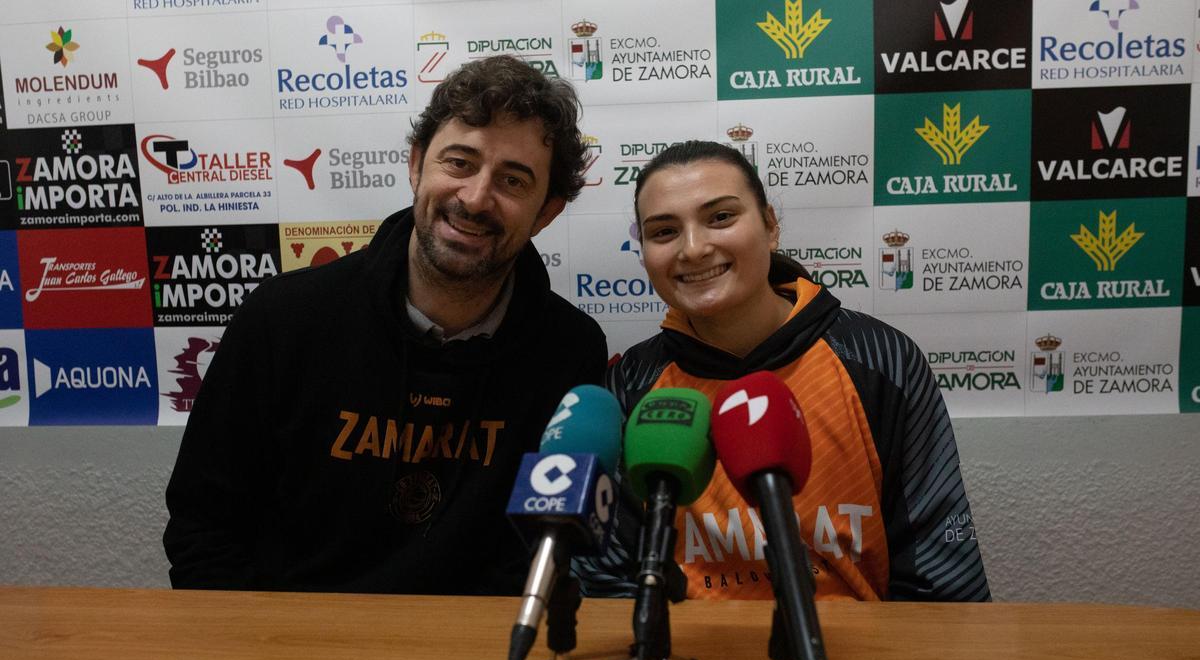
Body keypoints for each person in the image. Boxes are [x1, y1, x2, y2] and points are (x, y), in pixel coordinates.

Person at [163, 56, 608, 595]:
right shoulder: (282, 319)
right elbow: (204, 529)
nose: (475, 197)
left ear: (546, 212)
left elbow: (544, 555)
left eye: (513, 180)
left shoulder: (570, 351)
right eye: (460, 163)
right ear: (417, 164)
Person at [575, 141, 989, 601]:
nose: (693, 249)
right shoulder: (629, 387)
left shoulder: (882, 361)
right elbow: (605, 584)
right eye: (664, 231)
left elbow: (942, 581)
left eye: (720, 218)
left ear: (770, 227)